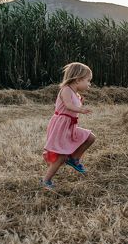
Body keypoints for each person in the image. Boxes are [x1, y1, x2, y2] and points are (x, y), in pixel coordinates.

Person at [41, 62, 96, 190]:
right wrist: (80, 109)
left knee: (90, 137)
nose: (89, 84)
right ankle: (46, 180)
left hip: (70, 127)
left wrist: (79, 102)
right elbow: (68, 105)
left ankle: (74, 158)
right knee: (60, 157)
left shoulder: (75, 93)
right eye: (88, 81)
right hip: (60, 127)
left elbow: (73, 105)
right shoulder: (65, 89)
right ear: (77, 80)